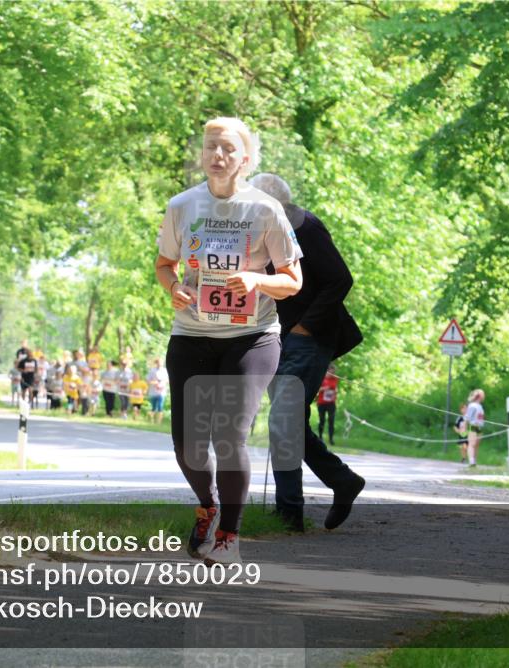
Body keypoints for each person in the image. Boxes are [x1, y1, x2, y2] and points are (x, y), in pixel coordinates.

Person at [155, 117, 302, 564]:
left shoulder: (264, 210)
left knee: (228, 434)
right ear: (202, 154)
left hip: (252, 337)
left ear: (247, 158)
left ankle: (228, 538)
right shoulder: (182, 206)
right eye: (210, 147)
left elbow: (293, 281)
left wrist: (257, 280)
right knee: (187, 444)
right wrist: (173, 287)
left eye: (228, 149)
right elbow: (164, 264)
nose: (217, 156)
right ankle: (208, 506)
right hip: (193, 334)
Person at [252, 173, 365, 533]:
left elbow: (340, 279)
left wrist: (306, 326)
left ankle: (288, 514)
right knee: (290, 423)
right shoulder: (256, 230)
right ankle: (342, 480)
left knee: (283, 421)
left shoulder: (306, 227)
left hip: (310, 337)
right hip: (275, 336)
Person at [316, 365, 339, 446]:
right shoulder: (321, 378)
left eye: (333, 372)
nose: (332, 373)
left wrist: (336, 391)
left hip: (331, 403)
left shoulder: (335, 379)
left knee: (331, 420)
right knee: (322, 420)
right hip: (321, 403)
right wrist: (324, 388)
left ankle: (331, 439)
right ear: (327, 370)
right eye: (330, 371)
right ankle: (320, 437)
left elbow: (335, 388)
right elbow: (317, 389)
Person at [464, 389, 486, 467]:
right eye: (483, 394)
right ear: (479, 396)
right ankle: (471, 461)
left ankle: (474, 460)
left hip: (479, 426)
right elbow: (467, 417)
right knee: (472, 444)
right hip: (473, 426)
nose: (484, 396)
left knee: (477, 444)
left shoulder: (480, 406)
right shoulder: (473, 405)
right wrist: (465, 427)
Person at [147, 358, 169, 424]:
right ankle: (151, 420)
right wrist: (155, 383)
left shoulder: (165, 371)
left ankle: (159, 422)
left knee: (160, 406)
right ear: (156, 363)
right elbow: (148, 380)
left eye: (161, 362)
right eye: (158, 362)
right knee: (153, 407)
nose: (160, 364)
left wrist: (162, 385)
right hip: (153, 392)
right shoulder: (152, 371)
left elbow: (167, 380)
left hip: (161, 392)